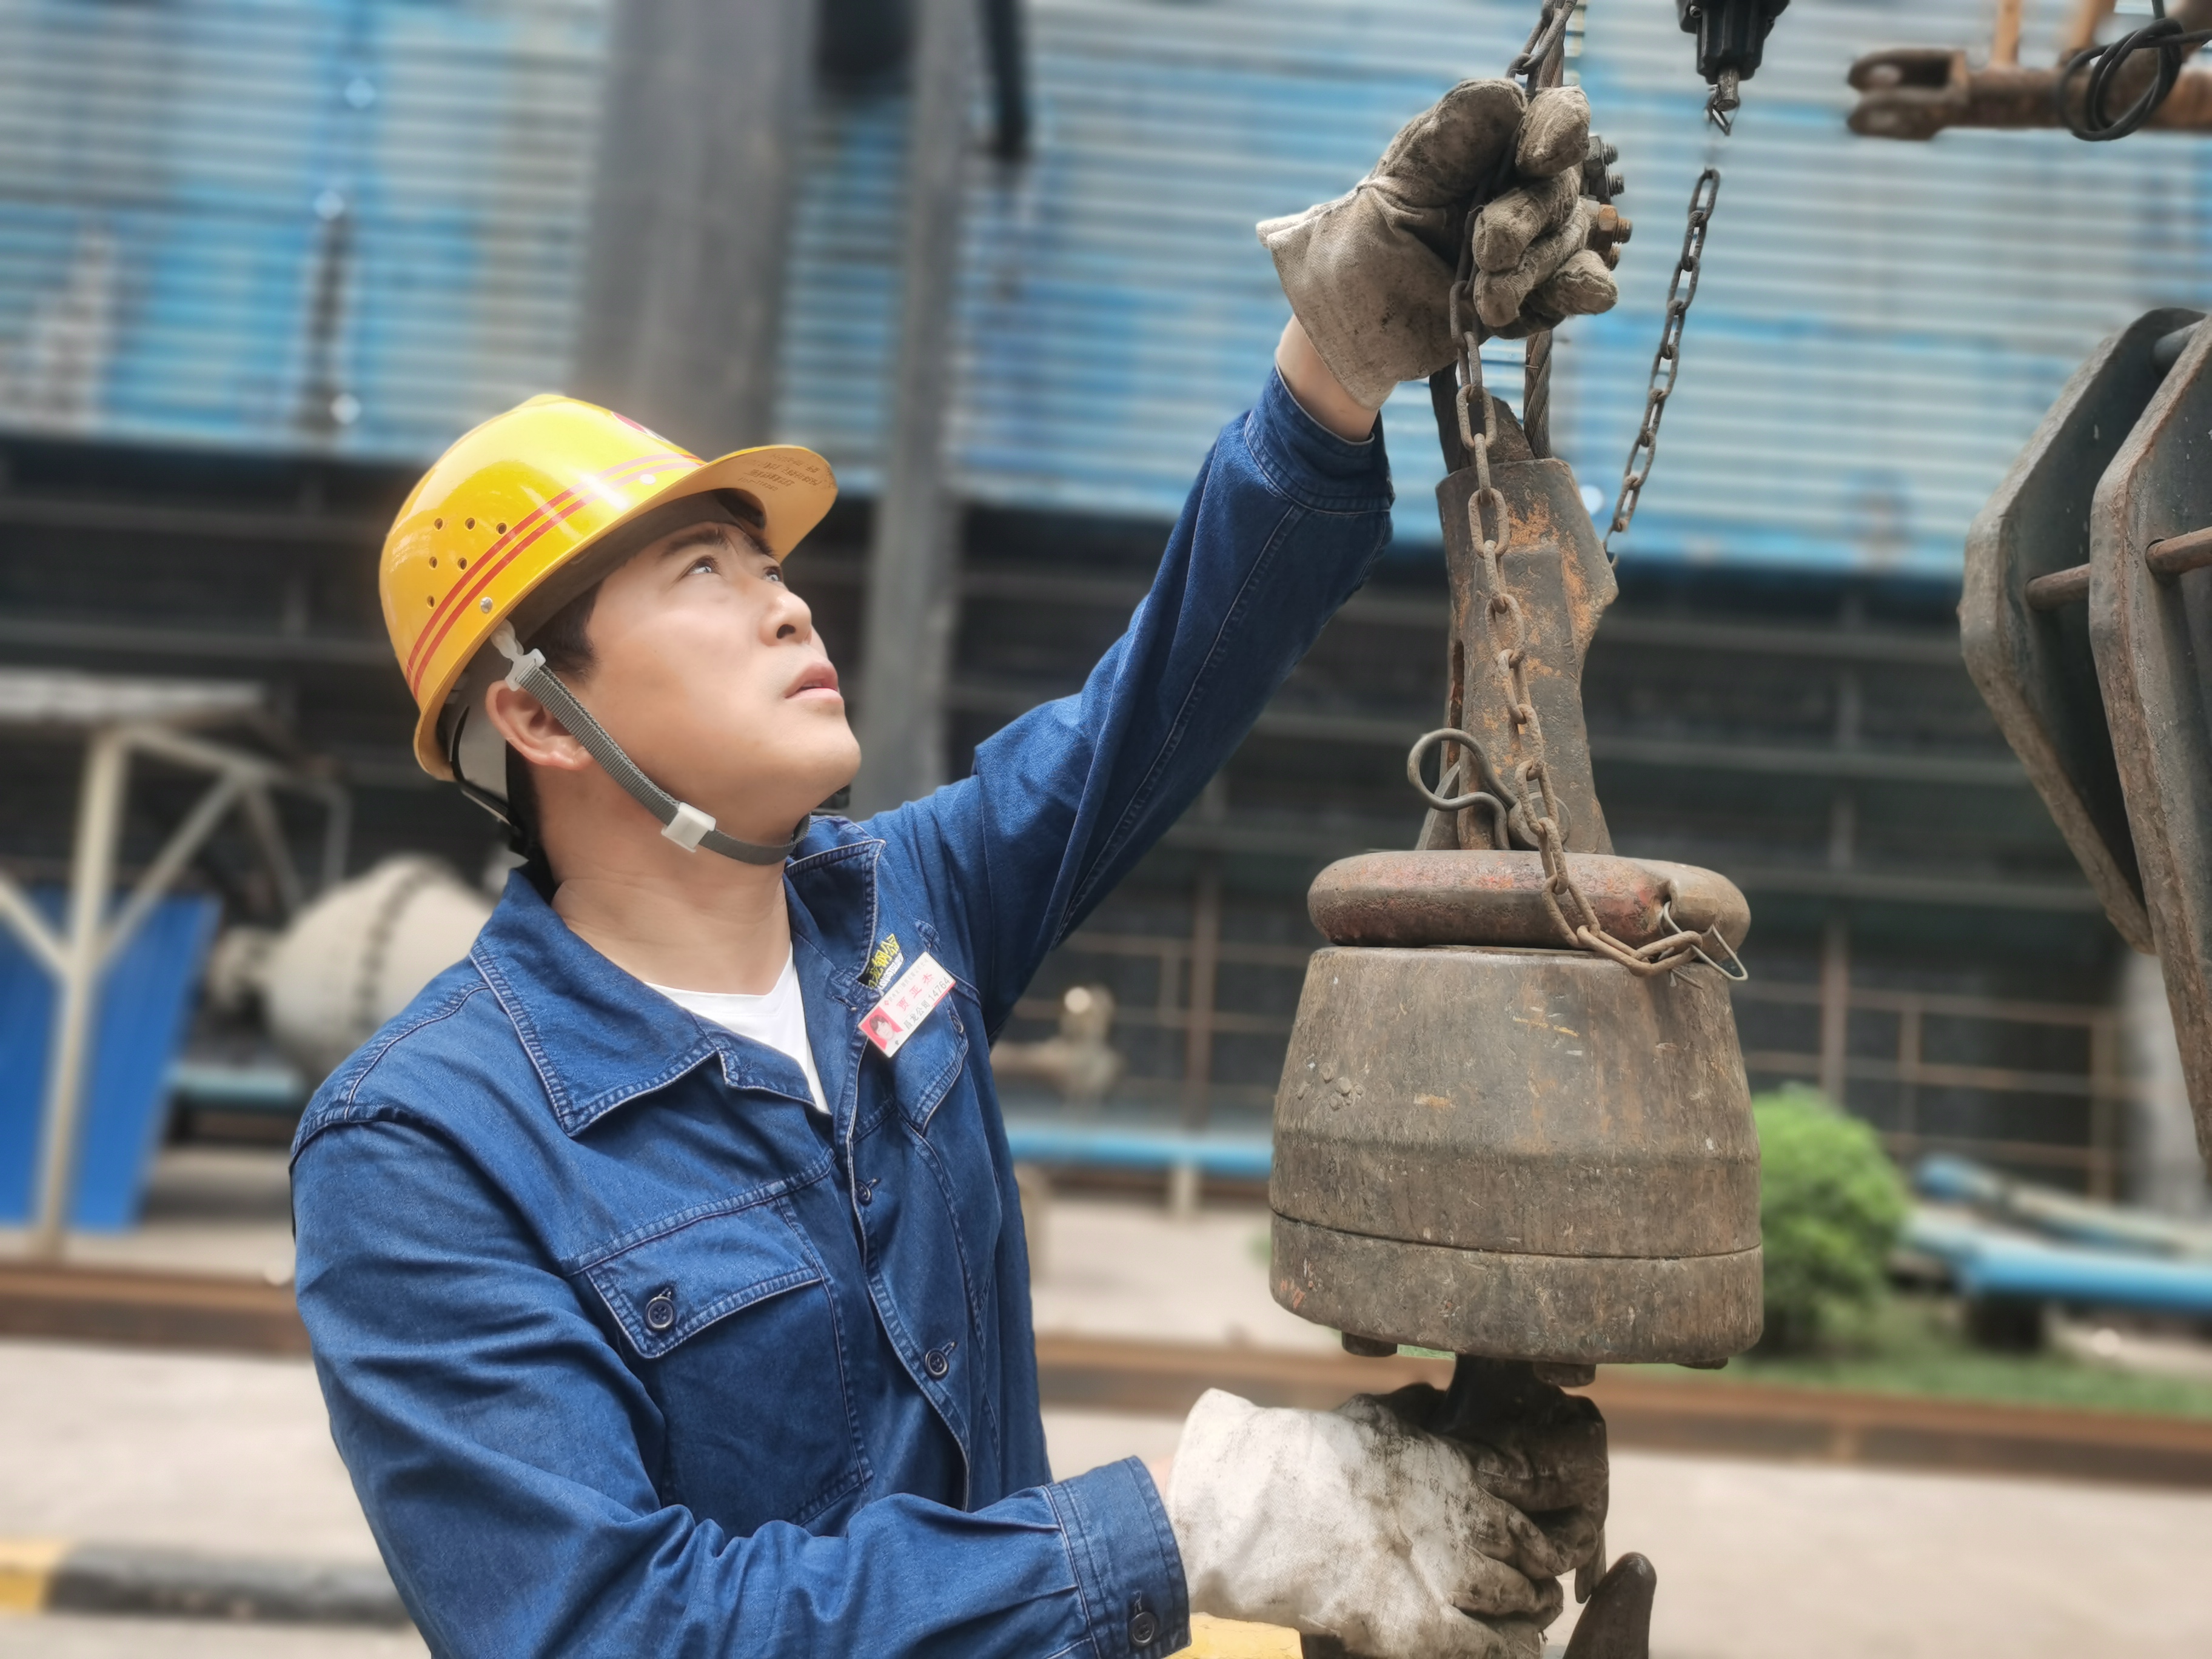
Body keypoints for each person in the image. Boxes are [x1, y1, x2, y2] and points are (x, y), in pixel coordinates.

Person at [292, 78, 1615, 1659]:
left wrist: (1339, 356)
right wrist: (1184, 1536)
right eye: (702, 573)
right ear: (536, 716)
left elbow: (1159, 701)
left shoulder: (895, 914)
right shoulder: (426, 1146)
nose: (790, 608)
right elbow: (609, 1628)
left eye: (774, 566)